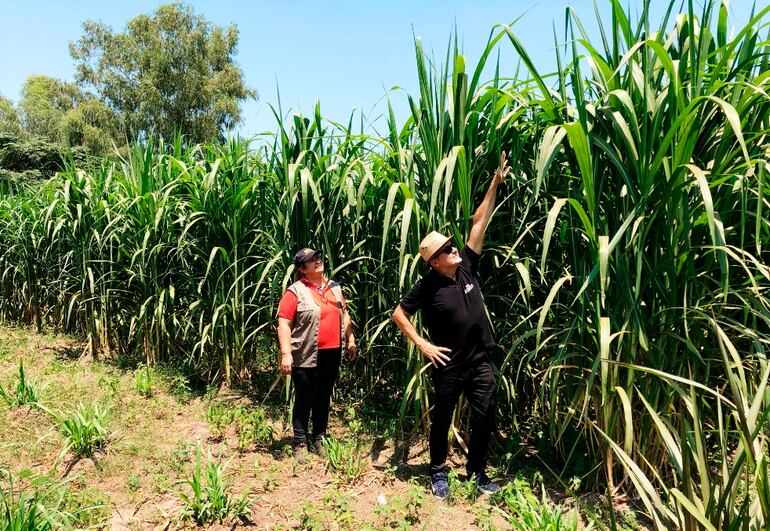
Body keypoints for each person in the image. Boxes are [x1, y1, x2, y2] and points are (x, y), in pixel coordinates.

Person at [392, 152, 511, 499]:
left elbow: (477, 223)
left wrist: (494, 183)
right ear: (434, 261)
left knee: (486, 412)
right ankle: (437, 471)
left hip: (479, 360)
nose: (454, 248)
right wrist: (423, 344)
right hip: (448, 363)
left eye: (451, 244)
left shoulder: (466, 267)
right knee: (442, 417)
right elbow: (399, 314)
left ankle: (476, 471)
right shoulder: (427, 286)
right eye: (446, 249)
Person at [277, 248, 356, 464]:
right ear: (303, 269)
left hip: (332, 352)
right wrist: (286, 353)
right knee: (305, 396)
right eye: (311, 261)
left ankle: (319, 437)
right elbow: (284, 322)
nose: (317, 261)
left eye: (317, 258)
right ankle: (300, 442)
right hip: (304, 353)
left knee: (323, 395)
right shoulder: (295, 291)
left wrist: (350, 339)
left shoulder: (335, 288)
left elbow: (345, 314)